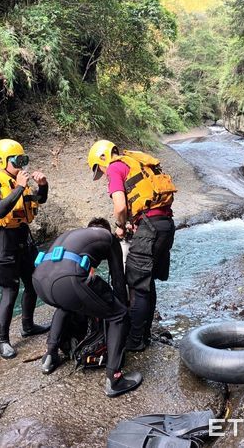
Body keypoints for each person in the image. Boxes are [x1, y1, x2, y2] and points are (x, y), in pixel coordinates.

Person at [32, 218, 143, 398]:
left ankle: (50, 356)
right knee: (118, 315)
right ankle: (114, 379)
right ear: (108, 232)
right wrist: (121, 309)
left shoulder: (72, 236)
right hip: (67, 279)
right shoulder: (109, 238)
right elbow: (118, 282)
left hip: (39, 281)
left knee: (65, 305)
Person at [87, 140, 176, 352]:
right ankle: (144, 335)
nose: (102, 172)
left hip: (149, 229)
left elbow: (119, 207)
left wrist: (120, 226)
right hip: (165, 226)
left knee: (137, 284)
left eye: (99, 168)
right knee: (147, 282)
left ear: (103, 158)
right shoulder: (135, 161)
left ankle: (135, 340)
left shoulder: (115, 167)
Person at [0, 139, 50, 359]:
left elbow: (38, 200)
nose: (21, 164)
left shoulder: (18, 181)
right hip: (2, 242)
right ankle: (3, 340)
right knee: (10, 290)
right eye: (16, 160)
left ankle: (28, 325)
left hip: (23, 239)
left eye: (23, 160)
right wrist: (18, 186)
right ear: (2, 161)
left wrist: (43, 185)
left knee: (34, 282)